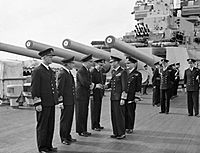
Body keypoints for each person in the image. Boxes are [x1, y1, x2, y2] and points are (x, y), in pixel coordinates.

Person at [31, 48, 58, 153]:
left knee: (50, 125)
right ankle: (42, 148)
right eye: (50, 57)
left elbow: (53, 87)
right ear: (44, 57)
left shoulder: (50, 70)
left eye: (52, 57)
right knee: (42, 126)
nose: (51, 58)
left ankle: (48, 145)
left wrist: (56, 101)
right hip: (43, 103)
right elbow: (35, 88)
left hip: (50, 103)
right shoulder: (38, 71)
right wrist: (37, 103)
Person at [105, 56, 127, 139]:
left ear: (116, 62)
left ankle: (121, 133)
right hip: (113, 97)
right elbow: (111, 83)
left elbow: (124, 87)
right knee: (114, 115)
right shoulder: (114, 72)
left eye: (112, 62)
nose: (111, 64)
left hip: (119, 98)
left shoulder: (123, 72)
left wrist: (123, 98)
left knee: (119, 116)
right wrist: (104, 86)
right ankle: (116, 132)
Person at [57, 56, 77, 145]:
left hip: (70, 101)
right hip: (65, 101)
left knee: (69, 119)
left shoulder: (68, 73)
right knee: (65, 120)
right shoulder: (62, 73)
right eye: (72, 63)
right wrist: (60, 101)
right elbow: (60, 89)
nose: (73, 64)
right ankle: (63, 137)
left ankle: (67, 135)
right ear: (68, 64)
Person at [76, 54, 94, 137]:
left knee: (84, 113)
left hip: (85, 95)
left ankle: (84, 129)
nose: (92, 63)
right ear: (86, 62)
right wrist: (91, 85)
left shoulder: (86, 71)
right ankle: (81, 130)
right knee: (81, 113)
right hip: (80, 96)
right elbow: (84, 82)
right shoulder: (81, 71)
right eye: (90, 62)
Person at [125, 57, 142, 134]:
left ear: (134, 64)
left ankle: (130, 127)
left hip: (131, 96)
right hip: (124, 96)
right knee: (124, 112)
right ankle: (125, 126)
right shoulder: (125, 73)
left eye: (128, 63)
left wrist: (137, 97)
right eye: (126, 63)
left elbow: (138, 86)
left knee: (130, 112)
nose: (127, 64)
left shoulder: (137, 74)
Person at [90, 59, 105, 131]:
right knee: (94, 110)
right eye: (100, 65)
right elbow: (90, 83)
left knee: (98, 109)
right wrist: (95, 86)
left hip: (99, 93)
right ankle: (94, 125)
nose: (101, 67)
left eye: (102, 65)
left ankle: (97, 124)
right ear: (96, 64)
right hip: (94, 93)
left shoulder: (101, 72)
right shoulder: (93, 72)